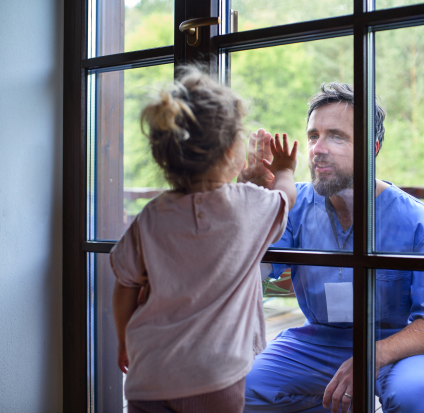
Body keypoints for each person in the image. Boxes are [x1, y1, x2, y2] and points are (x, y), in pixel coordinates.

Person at [239, 83, 424, 413]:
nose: (317, 148)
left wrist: (373, 355)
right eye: (313, 136)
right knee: (244, 387)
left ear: (371, 149)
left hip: (394, 346)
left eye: (336, 136)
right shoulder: (294, 205)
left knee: (419, 396)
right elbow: (250, 271)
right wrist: (253, 199)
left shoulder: (419, 220)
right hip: (316, 342)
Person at [110, 65, 298, 413]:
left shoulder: (151, 215)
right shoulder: (249, 206)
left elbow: (124, 286)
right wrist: (285, 170)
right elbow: (285, 198)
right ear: (231, 152)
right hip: (215, 376)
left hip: (149, 373)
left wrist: (124, 340)